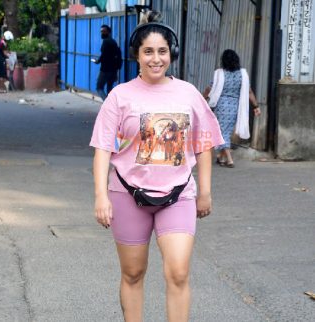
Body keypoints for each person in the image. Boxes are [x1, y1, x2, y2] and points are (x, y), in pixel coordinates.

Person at [90, 10, 224, 322]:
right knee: (133, 273)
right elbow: (102, 149)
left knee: (178, 272)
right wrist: (100, 196)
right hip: (127, 195)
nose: (155, 59)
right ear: (137, 54)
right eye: (148, 51)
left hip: (178, 195)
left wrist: (205, 191)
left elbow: (203, 143)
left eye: (162, 51)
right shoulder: (119, 97)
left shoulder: (188, 93)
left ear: (171, 54)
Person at [202, 49, 261, 168]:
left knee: (222, 132)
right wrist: (256, 106)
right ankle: (221, 158)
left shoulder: (220, 73)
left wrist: (201, 99)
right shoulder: (242, 75)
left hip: (221, 106)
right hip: (235, 107)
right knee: (226, 132)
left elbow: (210, 89)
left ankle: (229, 159)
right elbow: (249, 92)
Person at [92, 24, 122, 100]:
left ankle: (107, 104)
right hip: (113, 70)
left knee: (99, 88)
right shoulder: (114, 42)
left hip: (105, 70)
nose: (102, 33)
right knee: (109, 89)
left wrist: (97, 61)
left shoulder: (106, 42)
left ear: (109, 32)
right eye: (101, 31)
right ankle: (112, 106)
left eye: (103, 31)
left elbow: (104, 55)